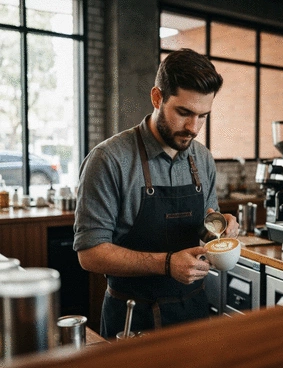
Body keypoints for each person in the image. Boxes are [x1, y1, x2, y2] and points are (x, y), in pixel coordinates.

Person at [73, 48, 239, 339]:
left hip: (194, 313)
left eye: (203, 116)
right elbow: (90, 254)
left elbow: (205, 227)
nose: (193, 128)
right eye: (184, 113)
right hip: (134, 319)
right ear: (157, 98)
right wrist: (165, 263)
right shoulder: (109, 160)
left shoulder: (202, 158)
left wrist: (219, 227)